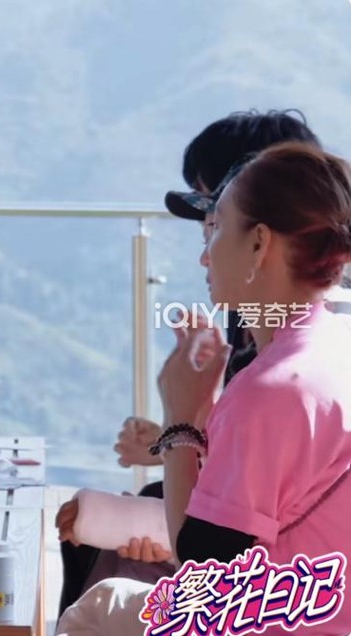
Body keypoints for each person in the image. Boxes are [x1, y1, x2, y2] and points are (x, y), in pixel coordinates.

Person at [58, 142, 351, 635]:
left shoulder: (271, 388)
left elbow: (204, 574)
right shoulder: (334, 342)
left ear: (258, 244)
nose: (203, 256)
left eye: (216, 230)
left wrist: (182, 421)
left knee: (96, 611)